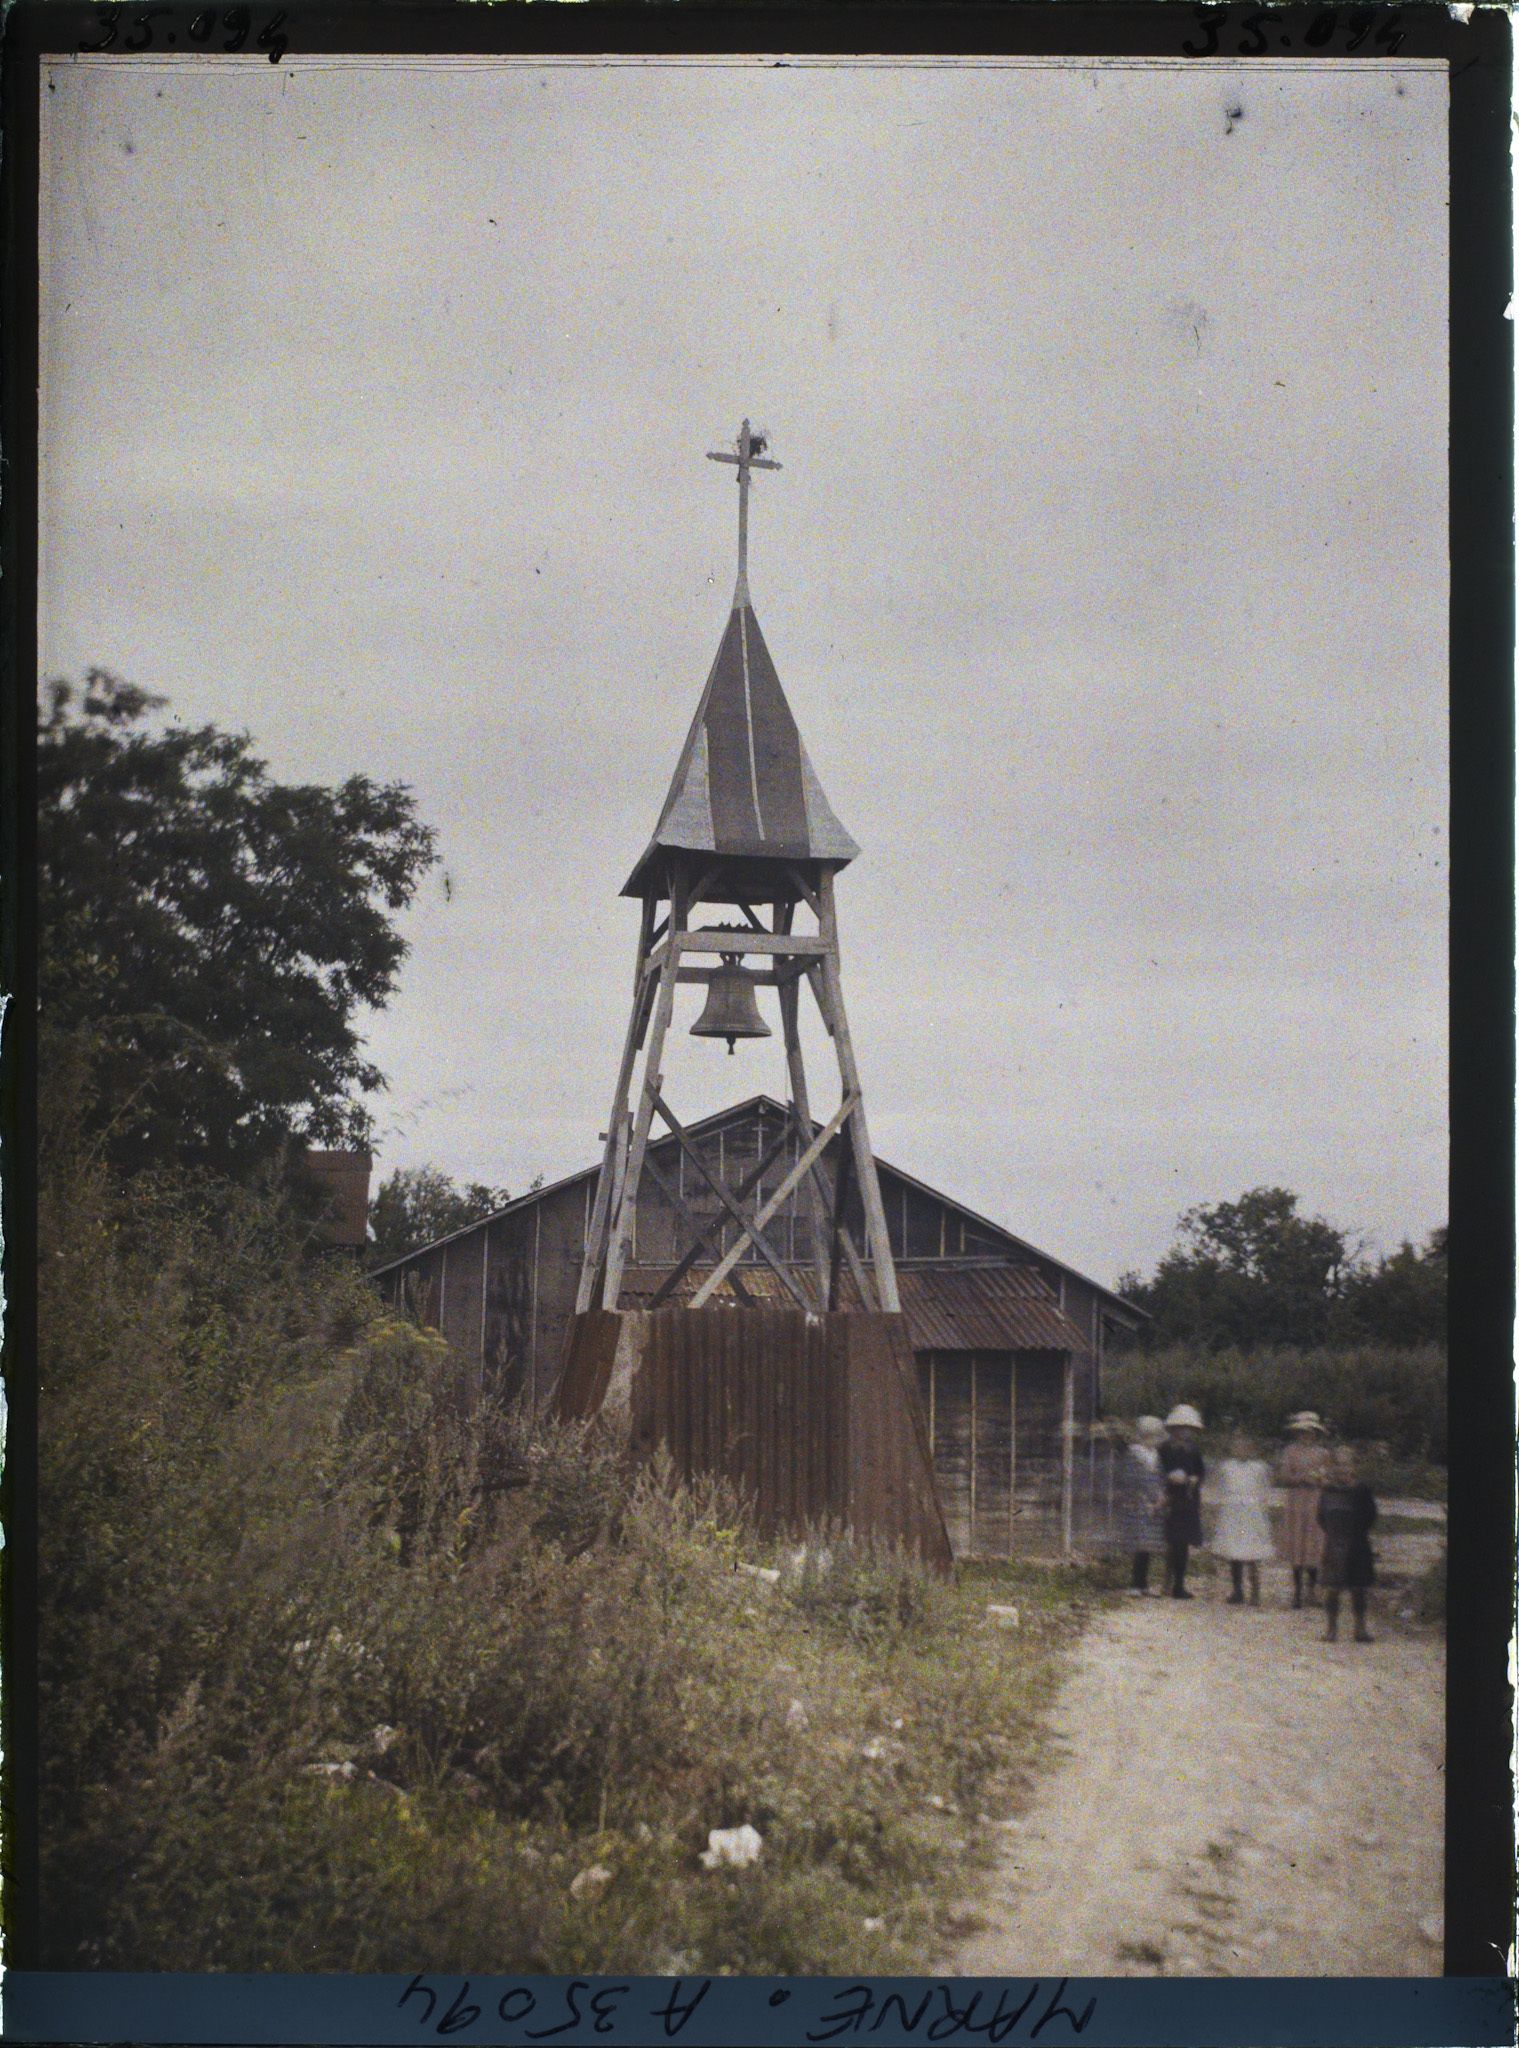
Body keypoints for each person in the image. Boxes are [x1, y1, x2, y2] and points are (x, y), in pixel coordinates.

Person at [1317, 1444, 1378, 1642]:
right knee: (1332, 1589)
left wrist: (1356, 1534)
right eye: (1338, 1465)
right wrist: (1335, 1534)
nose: (1342, 1469)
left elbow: (1371, 1516)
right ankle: (1331, 1629)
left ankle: (1360, 1629)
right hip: (1334, 1544)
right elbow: (1320, 1517)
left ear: (1354, 1467)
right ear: (1332, 1468)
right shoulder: (1327, 1491)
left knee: (1358, 1587)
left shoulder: (1362, 1490)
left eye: (1347, 1465)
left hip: (1357, 1543)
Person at [1212, 1430, 1274, 1606]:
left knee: (1252, 1552)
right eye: (1237, 1447)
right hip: (1232, 1512)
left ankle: (1255, 1590)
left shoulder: (1259, 1467)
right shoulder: (1227, 1466)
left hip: (1251, 1513)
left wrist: (1261, 1509)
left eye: (1245, 1447)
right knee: (1234, 1552)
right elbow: (1221, 1489)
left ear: (1252, 1449)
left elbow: (1264, 1490)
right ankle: (1237, 1590)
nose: (1241, 1450)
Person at [1276, 1410, 1330, 1607]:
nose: (1305, 1436)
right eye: (1302, 1432)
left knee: (1313, 1546)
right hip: (1297, 1501)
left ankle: (1312, 1591)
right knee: (1298, 1545)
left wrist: (1319, 1479)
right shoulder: (1290, 1451)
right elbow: (1284, 1476)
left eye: (1310, 1432)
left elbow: (1328, 1478)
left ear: (1316, 1433)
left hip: (1315, 1501)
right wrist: (1300, 1478)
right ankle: (1297, 1592)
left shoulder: (1323, 1454)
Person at [1158, 1404, 1205, 1599]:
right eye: (1179, 1428)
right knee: (1170, 1541)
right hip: (1170, 1497)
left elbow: (1201, 1472)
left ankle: (1179, 1583)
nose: (1183, 1432)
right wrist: (1169, 1477)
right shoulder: (1164, 1449)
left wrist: (1196, 1479)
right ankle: (1166, 1582)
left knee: (1183, 1543)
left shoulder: (1194, 1450)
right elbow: (1157, 1471)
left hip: (1188, 1499)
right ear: (1172, 1429)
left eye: (1188, 1428)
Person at [1116, 1415, 1166, 1594]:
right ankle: (1135, 1583)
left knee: (1148, 1546)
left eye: (1156, 1437)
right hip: (1138, 1505)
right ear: (1143, 1435)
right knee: (1139, 1545)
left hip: (1154, 1506)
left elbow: (1159, 1478)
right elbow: (1130, 1480)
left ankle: (1144, 1583)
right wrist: (1143, 1499)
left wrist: (1160, 1496)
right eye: (1150, 1436)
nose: (1153, 1440)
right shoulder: (1134, 1454)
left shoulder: (1155, 1456)